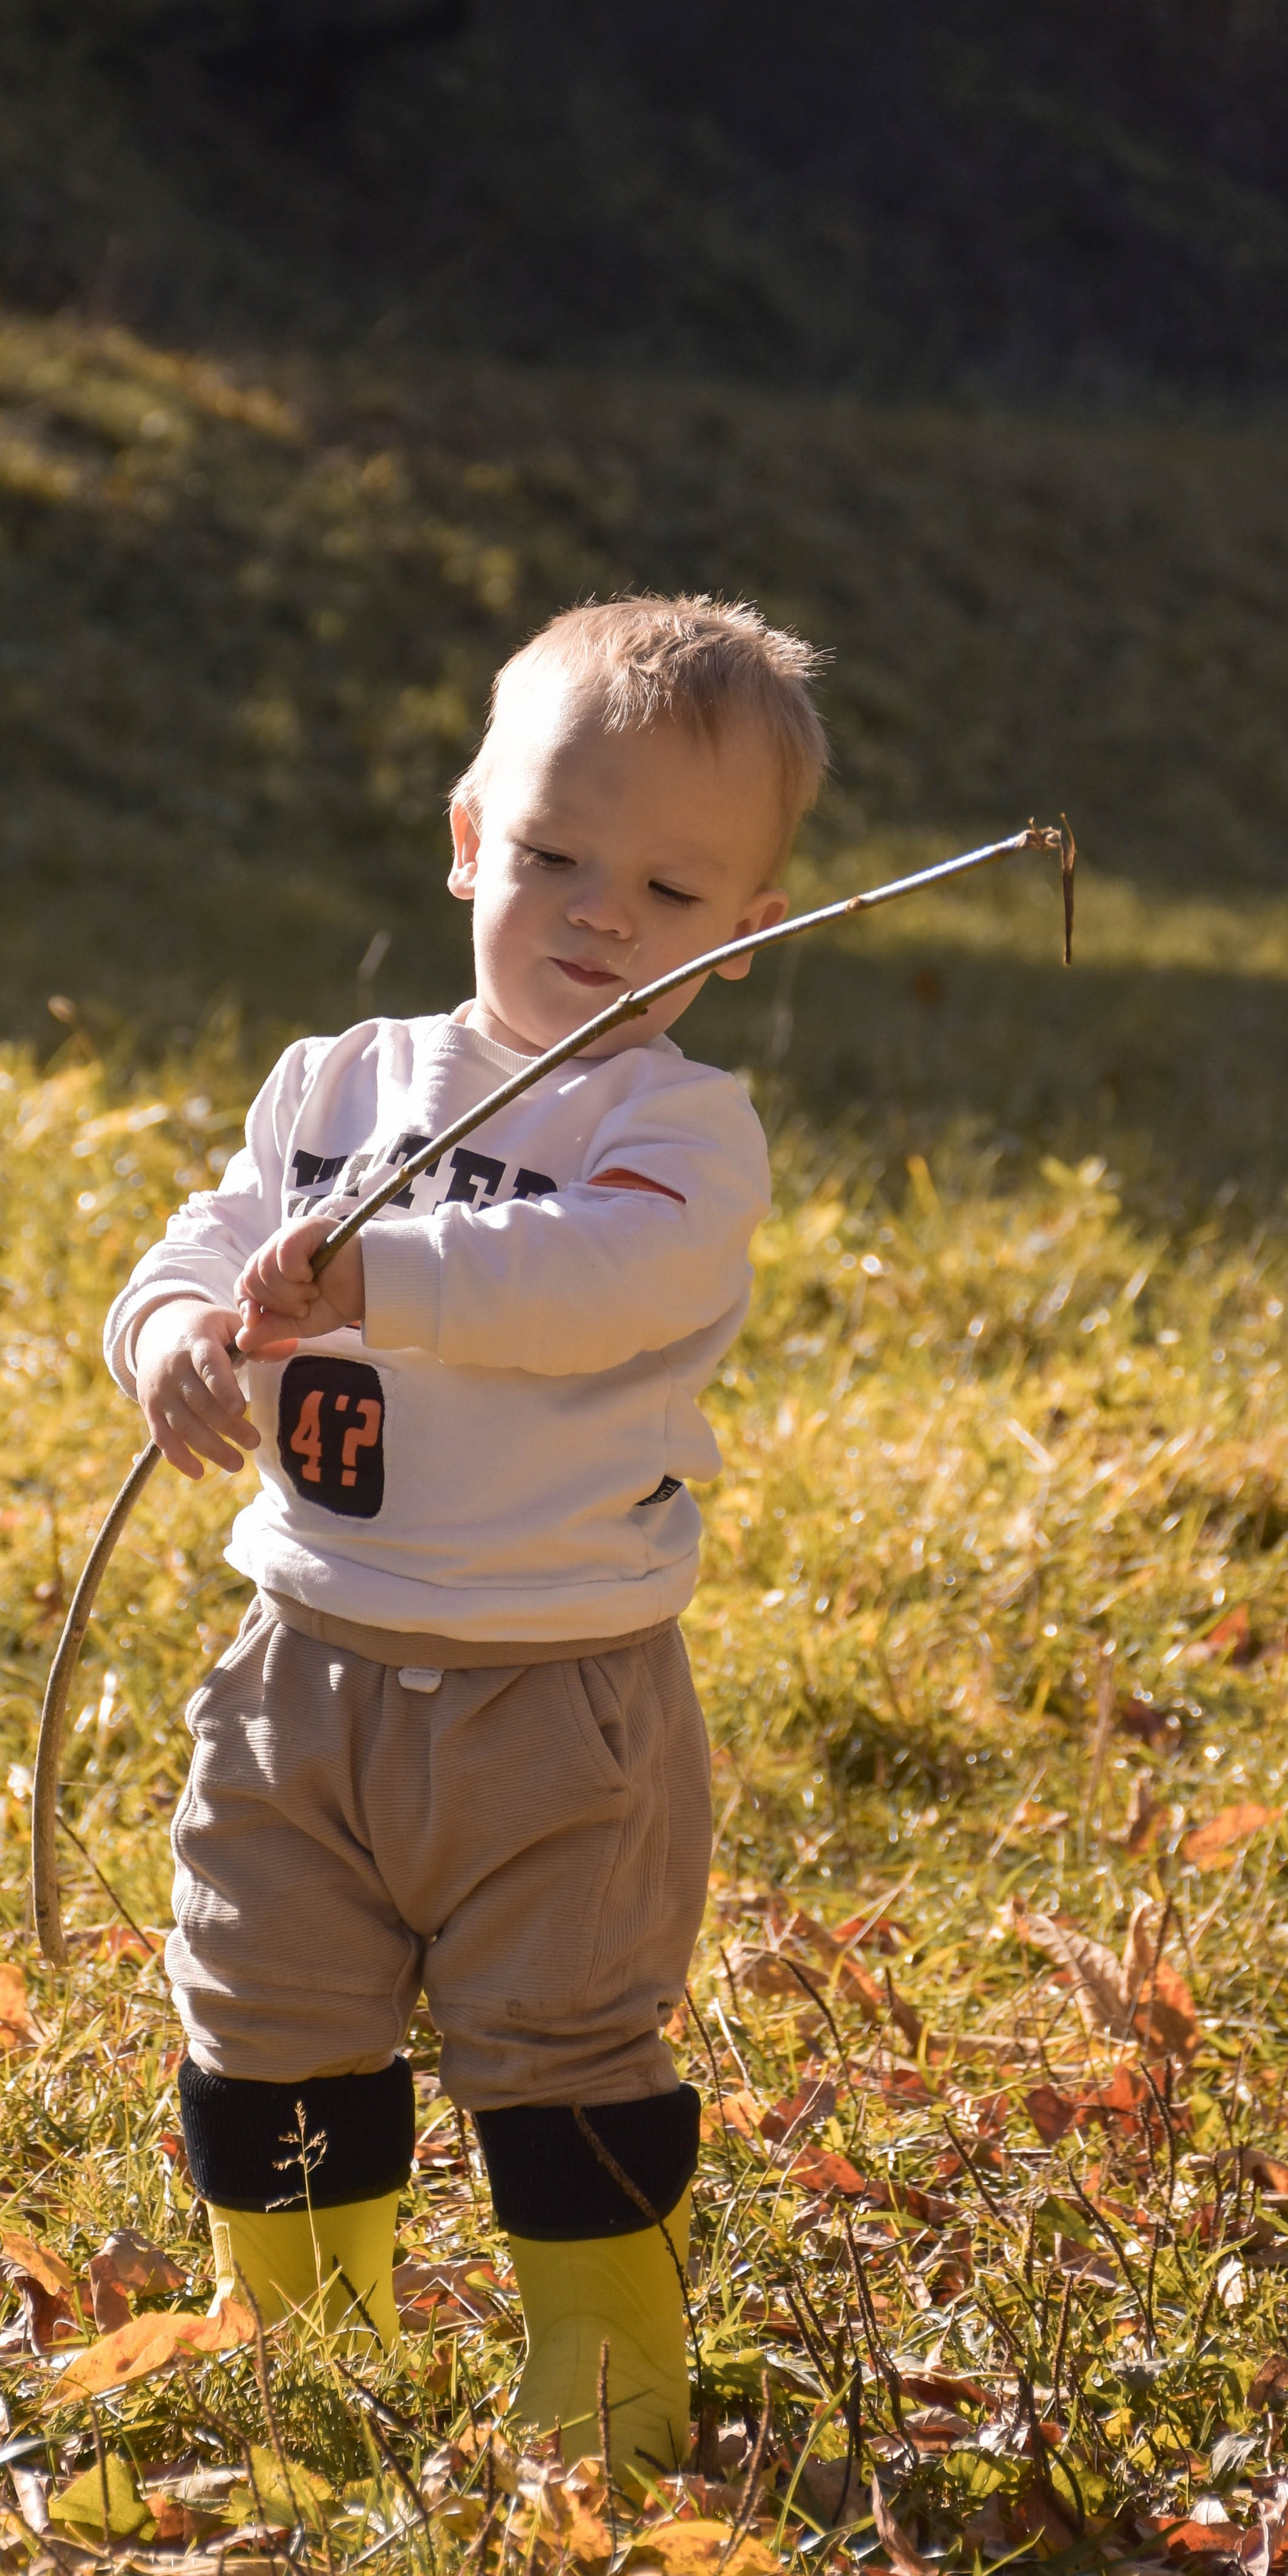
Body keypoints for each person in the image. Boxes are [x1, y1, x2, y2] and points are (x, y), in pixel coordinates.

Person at [104, 593, 827, 2477]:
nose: (601, 915)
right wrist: (178, 1334)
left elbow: (600, 1283)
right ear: (464, 841)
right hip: (303, 1665)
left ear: (751, 932)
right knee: (267, 2012)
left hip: (555, 1702)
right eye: (555, 856)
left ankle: (605, 2392)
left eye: (674, 894)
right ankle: (305, 2348)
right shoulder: (338, 1082)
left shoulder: (674, 1129)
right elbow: (210, 1234)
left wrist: (375, 1278)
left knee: (562, 2048)